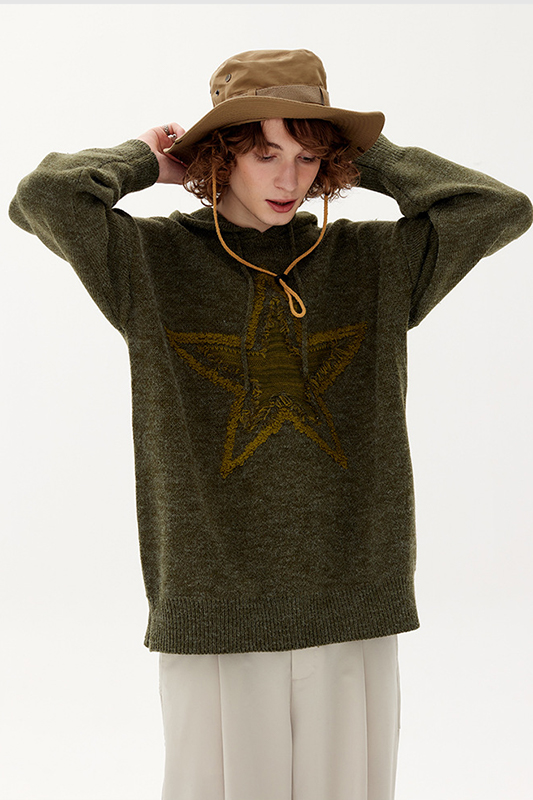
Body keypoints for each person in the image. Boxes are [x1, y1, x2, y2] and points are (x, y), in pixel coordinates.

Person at [9, 48, 532, 800]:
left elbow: (497, 207)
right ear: (220, 157)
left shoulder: (375, 262)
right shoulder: (147, 262)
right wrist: (143, 160)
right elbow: (43, 198)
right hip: (212, 602)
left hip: (352, 597)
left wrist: (363, 154)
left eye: (309, 158)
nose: (290, 180)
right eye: (264, 155)